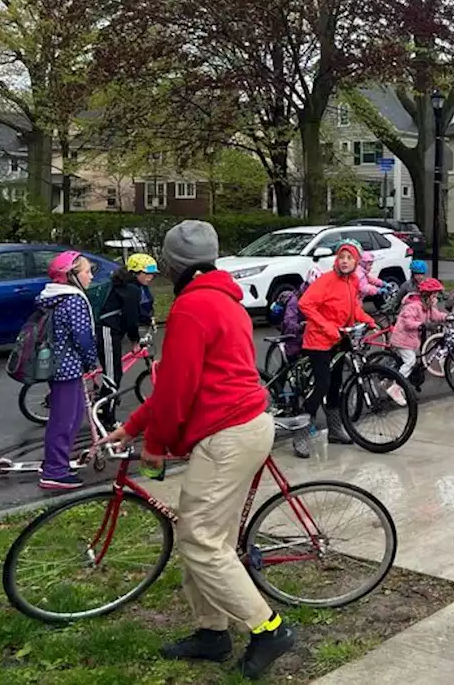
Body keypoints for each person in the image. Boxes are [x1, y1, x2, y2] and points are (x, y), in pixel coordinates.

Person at [96, 220, 296, 677]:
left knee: (201, 541)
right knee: (210, 540)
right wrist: (132, 428)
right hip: (244, 426)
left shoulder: (191, 308)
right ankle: (211, 633)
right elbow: (179, 385)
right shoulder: (226, 301)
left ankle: (269, 630)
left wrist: (156, 446)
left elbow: (177, 390)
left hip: (228, 434)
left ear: (171, 265)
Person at [296, 239, 377, 452]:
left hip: (340, 341)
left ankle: (334, 430)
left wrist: (367, 319)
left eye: (349, 258)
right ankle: (302, 433)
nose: (344, 261)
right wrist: (327, 327)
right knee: (322, 384)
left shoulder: (352, 283)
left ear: (357, 261)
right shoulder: (326, 281)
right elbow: (305, 304)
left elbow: (353, 310)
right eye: (341, 257)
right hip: (319, 341)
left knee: (335, 386)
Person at [37, 251, 101, 490]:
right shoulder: (74, 300)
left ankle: (56, 463)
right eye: (87, 271)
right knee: (65, 420)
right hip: (67, 368)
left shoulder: (56, 297)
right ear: (71, 276)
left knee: (69, 418)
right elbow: (83, 337)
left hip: (59, 366)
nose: (91, 276)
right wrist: (91, 361)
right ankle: (54, 471)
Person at [97, 253, 157, 390]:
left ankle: (108, 402)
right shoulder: (131, 289)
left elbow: (134, 309)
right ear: (135, 273)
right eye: (147, 273)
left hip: (113, 330)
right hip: (108, 330)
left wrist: (147, 319)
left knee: (115, 373)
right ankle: (105, 409)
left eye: (153, 274)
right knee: (112, 376)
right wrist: (134, 341)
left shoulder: (127, 286)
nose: (151, 277)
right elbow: (131, 318)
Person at [391, 278, 449, 400]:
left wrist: (448, 317)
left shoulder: (426, 306)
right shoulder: (413, 306)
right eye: (435, 295)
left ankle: (388, 379)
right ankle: (395, 388)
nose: (436, 298)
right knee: (410, 361)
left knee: (407, 361)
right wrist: (422, 325)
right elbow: (408, 322)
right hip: (402, 338)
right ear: (428, 295)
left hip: (411, 340)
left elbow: (436, 315)